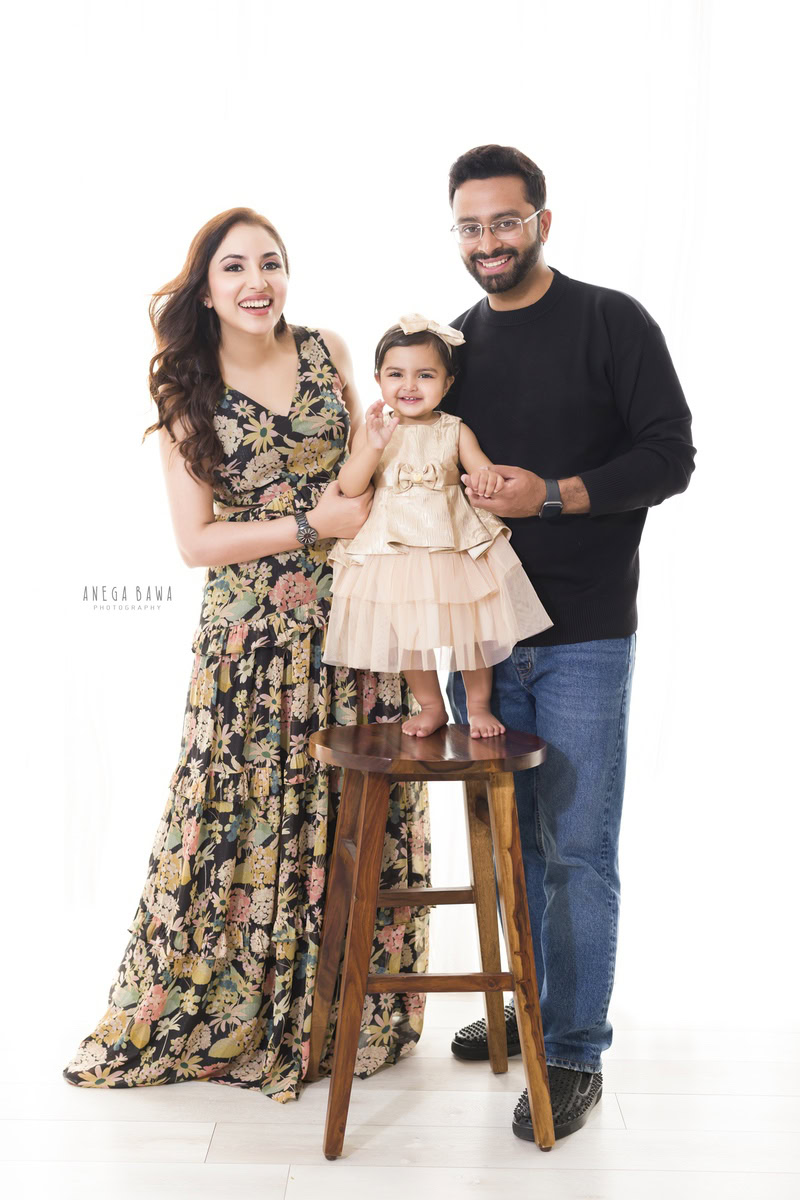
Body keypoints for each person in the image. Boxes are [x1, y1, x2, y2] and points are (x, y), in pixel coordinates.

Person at [62, 207, 431, 1101]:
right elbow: (195, 543)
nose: (257, 282)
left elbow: (361, 473)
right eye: (235, 268)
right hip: (252, 641)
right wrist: (310, 523)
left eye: (271, 263)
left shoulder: (327, 350)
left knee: (352, 811)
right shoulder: (187, 383)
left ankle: (346, 1009)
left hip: (356, 619)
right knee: (244, 812)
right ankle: (238, 1011)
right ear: (208, 288)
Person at [441, 146, 696, 1141]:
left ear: (541, 221)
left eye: (504, 222)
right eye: (469, 227)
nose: (487, 243)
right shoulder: (454, 343)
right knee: (509, 846)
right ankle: (526, 1003)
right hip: (483, 637)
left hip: (585, 629)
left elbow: (667, 455)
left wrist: (549, 495)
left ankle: (571, 1049)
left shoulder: (609, 320)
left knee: (575, 849)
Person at [321, 315, 552, 737]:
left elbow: (482, 470)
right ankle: (431, 706)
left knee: (470, 627)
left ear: (446, 384)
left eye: (425, 375)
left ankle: (478, 707)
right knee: (409, 633)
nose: (409, 385)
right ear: (378, 379)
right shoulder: (372, 429)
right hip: (394, 549)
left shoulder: (455, 429)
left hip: (450, 540)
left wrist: (485, 478)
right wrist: (372, 447)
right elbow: (351, 486)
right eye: (396, 374)